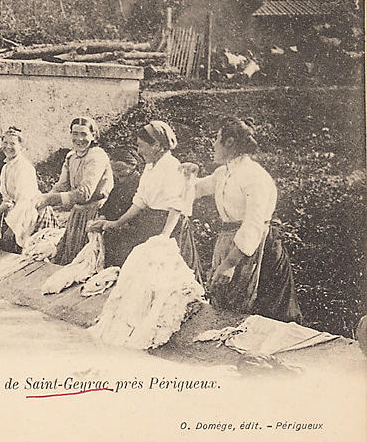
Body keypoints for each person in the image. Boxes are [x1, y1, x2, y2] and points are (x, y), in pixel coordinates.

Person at [184, 116, 301, 323]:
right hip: (229, 243)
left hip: (257, 250)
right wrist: (187, 174)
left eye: (217, 138)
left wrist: (229, 263)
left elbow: (253, 225)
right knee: (224, 303)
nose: (213, 143)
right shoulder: (225, 173)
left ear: (229, 142)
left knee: (259, 312)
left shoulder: (254, 176)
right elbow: (195, 189)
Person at [87, 121, 201, 275]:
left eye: (141, 146)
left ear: (156, 146)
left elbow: (176, 208)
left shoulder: (172, 167)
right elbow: (140, 201)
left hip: (169, 226)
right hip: (150, 222)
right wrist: (115, 223)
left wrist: (164, 238)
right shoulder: (150, 166)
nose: (139, 151)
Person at [34, 116, 114, 265]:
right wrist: (43, 199)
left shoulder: (96, 156)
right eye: (75, 133)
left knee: (84, 261)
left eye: (84, 134)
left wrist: (52, 199)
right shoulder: (71, 156)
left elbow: (84, 193)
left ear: (93, 135)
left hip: (95, 213)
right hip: (78, 213)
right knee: (67, 255)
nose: (79, 139)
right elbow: (62, 185)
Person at [0, 126, 40, 254]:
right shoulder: (6, 167)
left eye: (12, 143)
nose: (8, 147)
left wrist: (12, 228)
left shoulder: (24, 167)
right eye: (5, 143)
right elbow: (6, 198)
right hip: (12, 214)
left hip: (27, 215)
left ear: (21, 146)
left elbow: (25, 201)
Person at [95, 146, 143, 267]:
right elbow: (109, 205)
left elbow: (138, 213)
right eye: (114, 171)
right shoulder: (120, 183)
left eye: (120, 169)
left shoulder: (141, 184)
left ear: (133, 165)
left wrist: (116, 224)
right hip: (115, 234)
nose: (116, 174)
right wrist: (102, 217)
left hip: (131, 237)